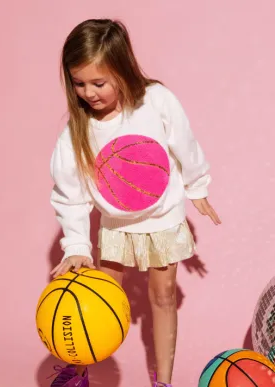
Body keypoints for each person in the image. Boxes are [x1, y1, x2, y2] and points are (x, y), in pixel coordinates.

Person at [49, 18, 221, 387]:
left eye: (98, 83)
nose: (89, 93)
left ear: (122, 70)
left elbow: (184, 143)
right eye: (78, 83)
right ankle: (79, 371)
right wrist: (76, 245)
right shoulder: (76, 132)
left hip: (162, 220)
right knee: (97, 300)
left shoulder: (155, 100)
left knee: (162, 298)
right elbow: (70, 194)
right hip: (117, 227)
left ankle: (164, 381)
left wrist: (197, 187)